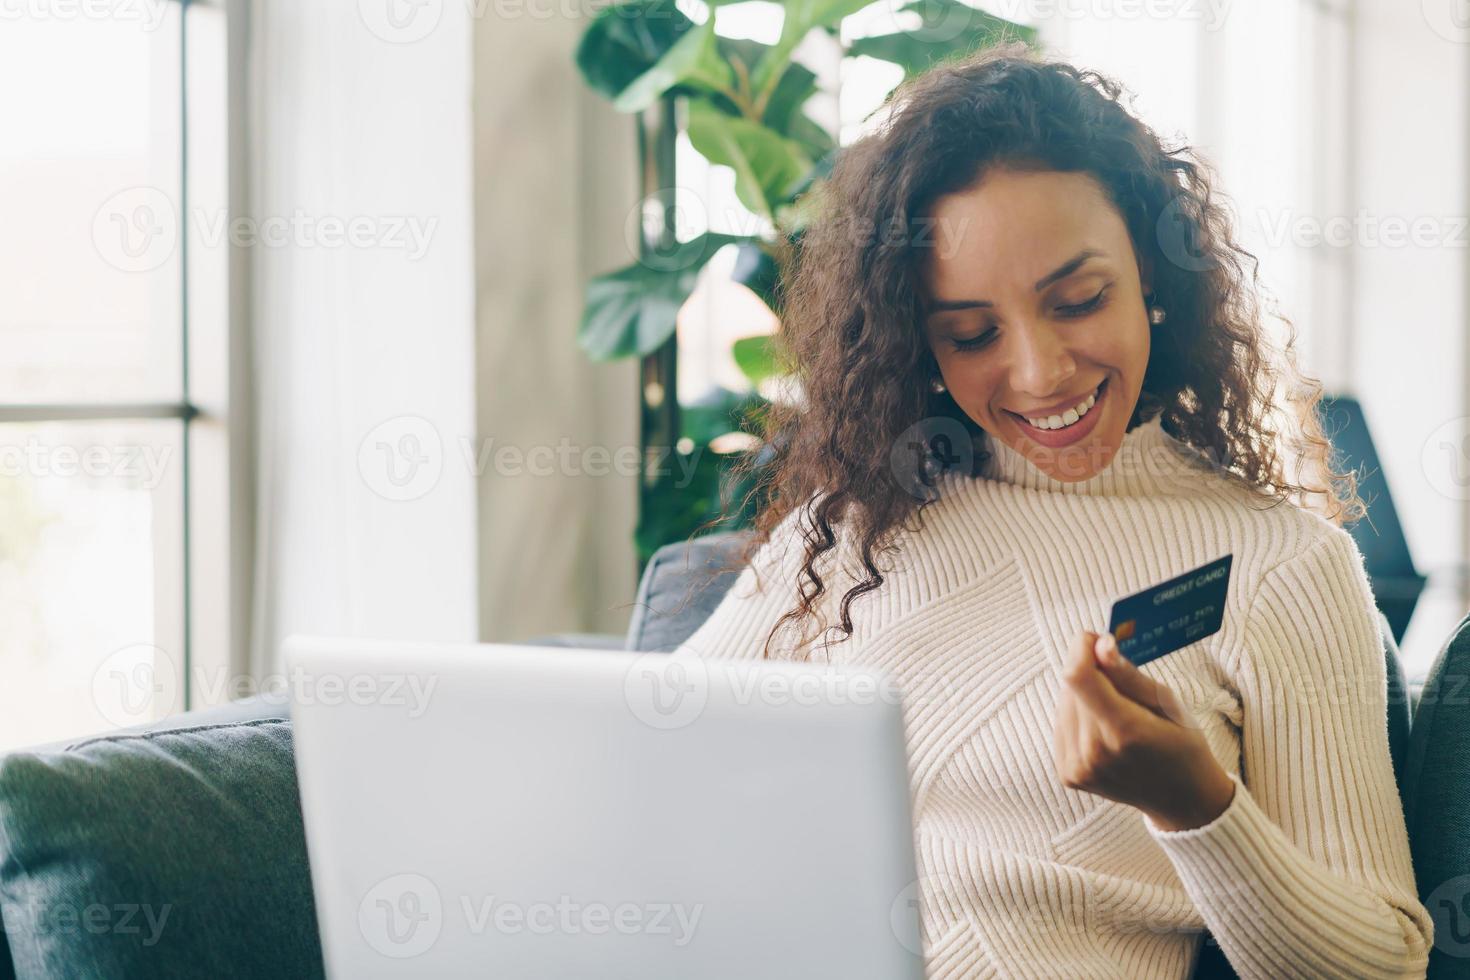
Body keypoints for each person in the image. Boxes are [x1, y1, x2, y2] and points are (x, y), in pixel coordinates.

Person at [674, 41, 1432, 979]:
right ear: (921, 343)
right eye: (972, 333)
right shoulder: (847, 531)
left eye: (1078, 300)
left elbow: (1383, 964)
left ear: (1153, 275)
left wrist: (1195, 802)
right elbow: (651, 769)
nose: (1040, 374)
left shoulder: (1281, 567)